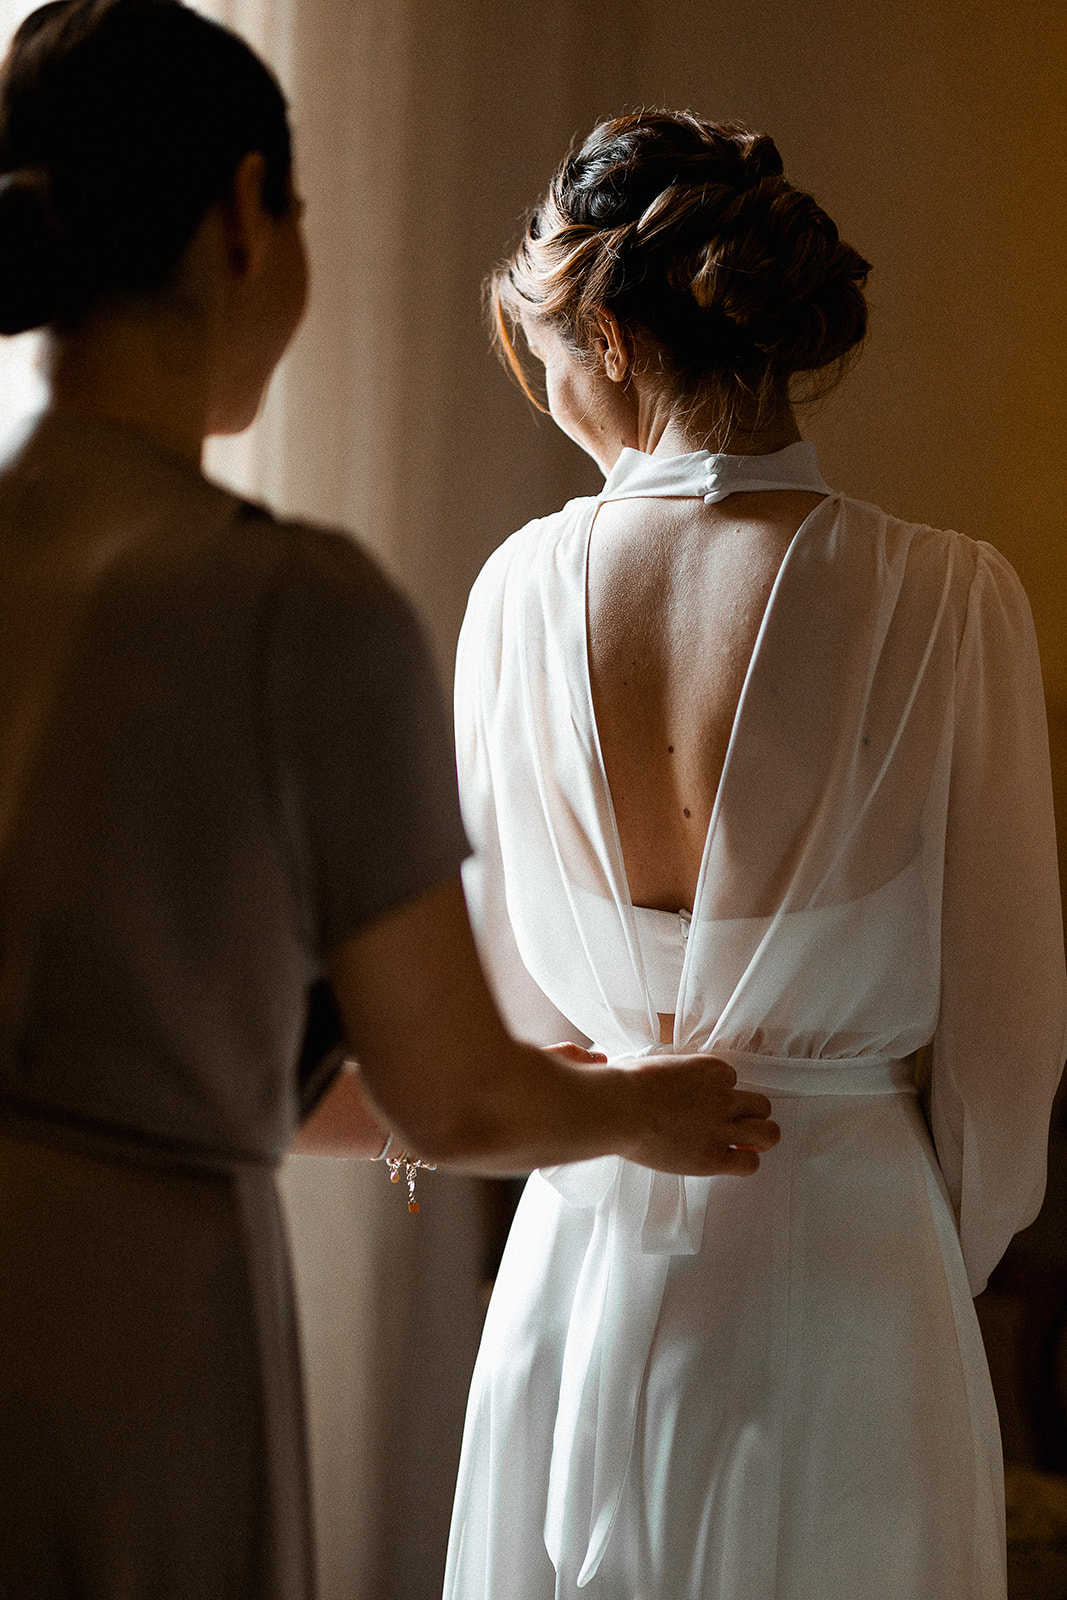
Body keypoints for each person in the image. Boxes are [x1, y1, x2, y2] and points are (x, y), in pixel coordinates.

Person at [0, 21, 780, 1597]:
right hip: (124, 1335)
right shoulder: (295, 608)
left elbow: (269, 1069)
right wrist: (640, 1110)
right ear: (245, 214)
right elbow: (456, 1098)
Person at [444, 111, 1067, 1600]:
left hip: (585, 1249)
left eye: (549, 355)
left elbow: (515, 1015)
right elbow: (1008, 1043)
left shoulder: (517, 595)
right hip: (855, 1256)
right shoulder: (949, 596)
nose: (554, 395)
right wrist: (928, 1243)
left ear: (607, 333)